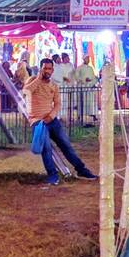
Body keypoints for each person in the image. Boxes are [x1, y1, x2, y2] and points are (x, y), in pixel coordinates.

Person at [24, 57, 96, 186]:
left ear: (52, 70)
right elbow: (27, 91)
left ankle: (81, 170)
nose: (47, 71)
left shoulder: (54, 86)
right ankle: (53, 175)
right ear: (40, 68)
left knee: (66, 145)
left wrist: (51, 116)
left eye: (49, 69)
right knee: (46, 149)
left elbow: (57, 104)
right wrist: (39, 79)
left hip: (51, 120)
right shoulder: (32, 80)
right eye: (45, 68)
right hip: (37, 121)